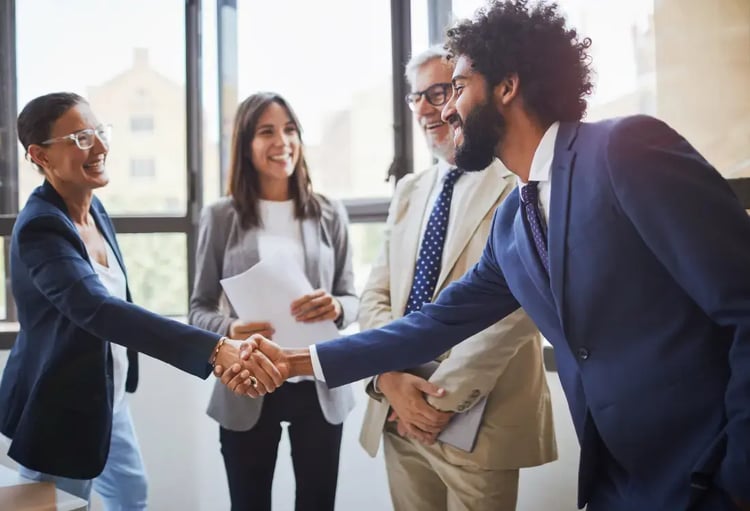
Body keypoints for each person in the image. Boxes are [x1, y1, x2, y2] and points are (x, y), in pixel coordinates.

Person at [223, 2, 750, 510]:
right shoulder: (513, 223)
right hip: (621, 482)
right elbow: (434, 323)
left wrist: (741, 476)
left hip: (709, 472)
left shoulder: (624, 150)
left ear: (506, 86)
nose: (446, 109)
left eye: (456, 88)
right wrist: (298, 361)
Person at [0, 92, 279, 509]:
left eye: (98, 132)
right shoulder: (41, 228)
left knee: (131, 498)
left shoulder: (95, 211)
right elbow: (99, 310)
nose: (99, 147)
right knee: (57, 504)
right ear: (40, 156)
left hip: (107, 400)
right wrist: (215, 348)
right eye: (80, 138)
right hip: (61, 407)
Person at [357, 46, 556, 511]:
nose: (427, 109)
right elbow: (375, 296)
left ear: (470, 94)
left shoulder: (516, 179)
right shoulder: (409, 189)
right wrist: (389, 379)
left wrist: (439, 403)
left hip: (480, 423)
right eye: (416, 97)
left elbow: (519, 308)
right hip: (397, 414)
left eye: (439, 92)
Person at [189, 91, 358, 511]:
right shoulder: (220, 216)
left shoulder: (330, 212)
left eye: (290, 129)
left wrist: (337, 308)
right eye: (267, 132)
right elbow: (198, 308)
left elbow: (353, 297)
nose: (282, 141)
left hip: (317, 381)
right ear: (246, 145)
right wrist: (228, 329)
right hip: (247, 381)